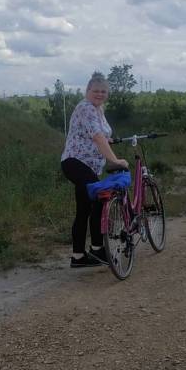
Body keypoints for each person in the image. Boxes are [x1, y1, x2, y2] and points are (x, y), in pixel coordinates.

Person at [60, 73, 130, 268]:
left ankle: (78, 257)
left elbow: (100, 137)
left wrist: (109, 145)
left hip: (87, 165)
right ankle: (98, 249)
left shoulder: (98, 110)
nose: (100, 94)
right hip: (76, 162)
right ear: (87, 91)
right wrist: (115, 160)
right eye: (96, 91)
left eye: (103, 91)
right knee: (100, 201)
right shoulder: (86, 108)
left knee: (84, 209)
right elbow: (98, 137)